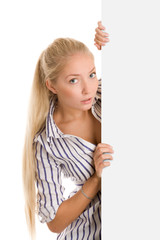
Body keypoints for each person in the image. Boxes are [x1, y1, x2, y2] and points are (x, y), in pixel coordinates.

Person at [22, 21, 114, 240]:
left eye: (91, 75)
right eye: (74, 80)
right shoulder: (46, 142)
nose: (87, 89)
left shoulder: (105, 93)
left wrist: (114, 42)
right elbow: (55, 222)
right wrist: (97, 178)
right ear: (52, 86)